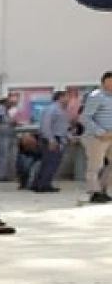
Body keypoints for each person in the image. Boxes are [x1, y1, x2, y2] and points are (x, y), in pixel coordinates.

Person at [78, 71, 112, 204]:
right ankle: (94, 192)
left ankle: (104, 189)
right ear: (103, 83)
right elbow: (85, 117)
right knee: (95, 165)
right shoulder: (96, 96)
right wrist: (100, 132)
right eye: (108, 82)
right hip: (97, 137)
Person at [34, 91, 70, 192]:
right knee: (50, 163)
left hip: (59, 138)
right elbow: (45, 125)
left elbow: (63, 127)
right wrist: (51, 140)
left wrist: (69, 136)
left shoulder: (62, 110)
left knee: (52, 163)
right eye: (67, 97)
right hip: (52, 139)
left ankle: (41, 183)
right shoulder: (52, 109)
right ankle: (43, 185)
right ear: (60, 97)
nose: (68, 100)